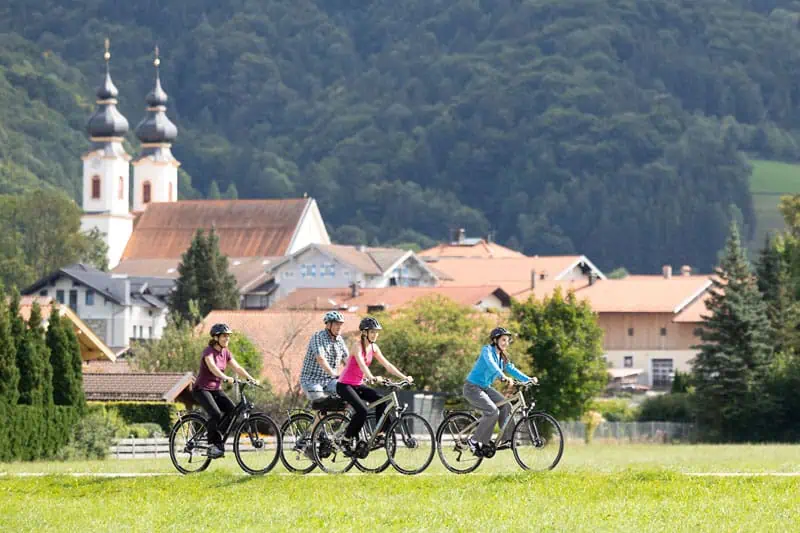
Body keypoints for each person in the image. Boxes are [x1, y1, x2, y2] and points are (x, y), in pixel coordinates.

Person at [336, 316, 413, 455]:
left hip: (358, 385)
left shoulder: (374, 347)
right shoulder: (356, 346)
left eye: (376, 332)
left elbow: (388, 365)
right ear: (364, 333)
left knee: (381, 400)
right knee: (362, 411)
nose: (375, 334)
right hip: (344, 385)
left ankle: (380, 436)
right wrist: (371, 377)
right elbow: (361, 364)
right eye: (372, 332)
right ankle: (346, 439)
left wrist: (404, 377)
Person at [192, 323, 259, 459]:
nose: (227, 339)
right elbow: (212, 367)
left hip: (216, 389)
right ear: (216, 338)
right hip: (202, 389)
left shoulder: (226, 352)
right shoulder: (208, 351)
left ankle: (218, 434)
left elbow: (238, 368)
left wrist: (251, 379)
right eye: (224, 336)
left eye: (228, 337)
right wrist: (224, 377)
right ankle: (213, 444)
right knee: (215, 414)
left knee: (232, 411)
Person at [463, 326, 534, 454]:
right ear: (495, 340)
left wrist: (528, 379)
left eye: (508, 341)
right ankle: (474, 441)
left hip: (485, 388)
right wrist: (502, 376)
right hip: (472, 388)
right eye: (503, 340)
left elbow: (512, 369)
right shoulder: (487, 350)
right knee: (492, 411)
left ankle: (507, 439)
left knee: (506, 406)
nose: (506, 343)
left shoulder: (502, 357)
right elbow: (491, 364)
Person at [299, 311, 349, 401]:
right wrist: (333, 374)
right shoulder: (318, 337)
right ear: (328, 325)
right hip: (312, 381)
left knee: (347, 395)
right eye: (337, 324)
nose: (339, 327)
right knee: (322, 402)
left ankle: (340, 415)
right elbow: (320, 358)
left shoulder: (339, 340)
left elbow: (347, 359)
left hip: (330, 381)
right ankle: (322, 414)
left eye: (341, 324)